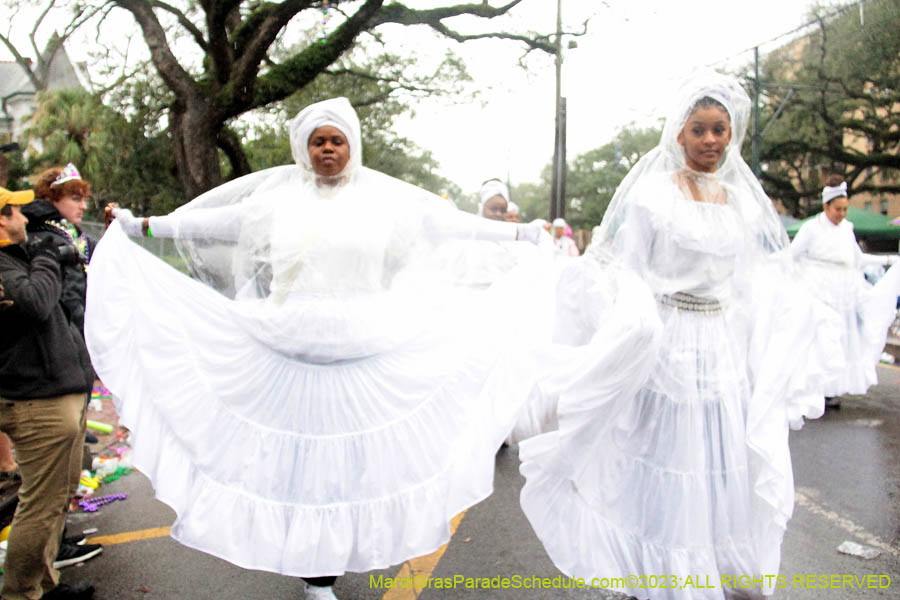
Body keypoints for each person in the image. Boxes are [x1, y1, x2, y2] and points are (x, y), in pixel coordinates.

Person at [88, 98, 544, 600]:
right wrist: (140, 226)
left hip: (361, 343)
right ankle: (316, 574)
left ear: (352, 146)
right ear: (304, 150)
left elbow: (448, 225)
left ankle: (342, 550)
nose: (328, 149)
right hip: (291, 345)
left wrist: (521, 233)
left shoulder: (384, 202)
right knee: (301, 463)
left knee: (354, 461)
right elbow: (209, 223)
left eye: (337, 140)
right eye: (318, 141)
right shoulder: (275, 201)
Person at [518, 72, 841, 600]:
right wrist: (630, 322)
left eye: (720, 130)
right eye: (699, 130)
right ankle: (658, 570)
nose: (711, 140)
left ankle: (705, 566)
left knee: (712, 463)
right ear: (680, 135)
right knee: (661, 456)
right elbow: (627, 269)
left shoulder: (740, 204)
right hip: (662, 345)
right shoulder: (650, 197)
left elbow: (756, 280)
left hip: (720, 349)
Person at [0, 186, 98, 600]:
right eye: (17, 211)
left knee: (57, 499)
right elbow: (36, 302)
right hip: (36, 400)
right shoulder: (8, 264)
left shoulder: (18, 258)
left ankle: (42, 581)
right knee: (39, 506)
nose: (25, 218)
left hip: (59, 390)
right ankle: (21, 592)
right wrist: (45, 256)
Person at [789, 175, 900, 407]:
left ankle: (829, 388)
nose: (842, 214)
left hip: (843, 293)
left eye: (845, 209)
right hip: (815, 291)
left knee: (837, 341)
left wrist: (890, 259)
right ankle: (813, 389)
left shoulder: (846, 229)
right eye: (837, 209)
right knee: (819, 340)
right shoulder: (811, 228)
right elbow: (791, 255)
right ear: (825, 206)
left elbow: (857, 259)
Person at [23, 164, 96, 335]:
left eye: (84, 199)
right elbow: (70, 298)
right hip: (65, 334)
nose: (83, 207)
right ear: (50, 198)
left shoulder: (74, 236)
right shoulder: (48, 238)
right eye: (76, 199)